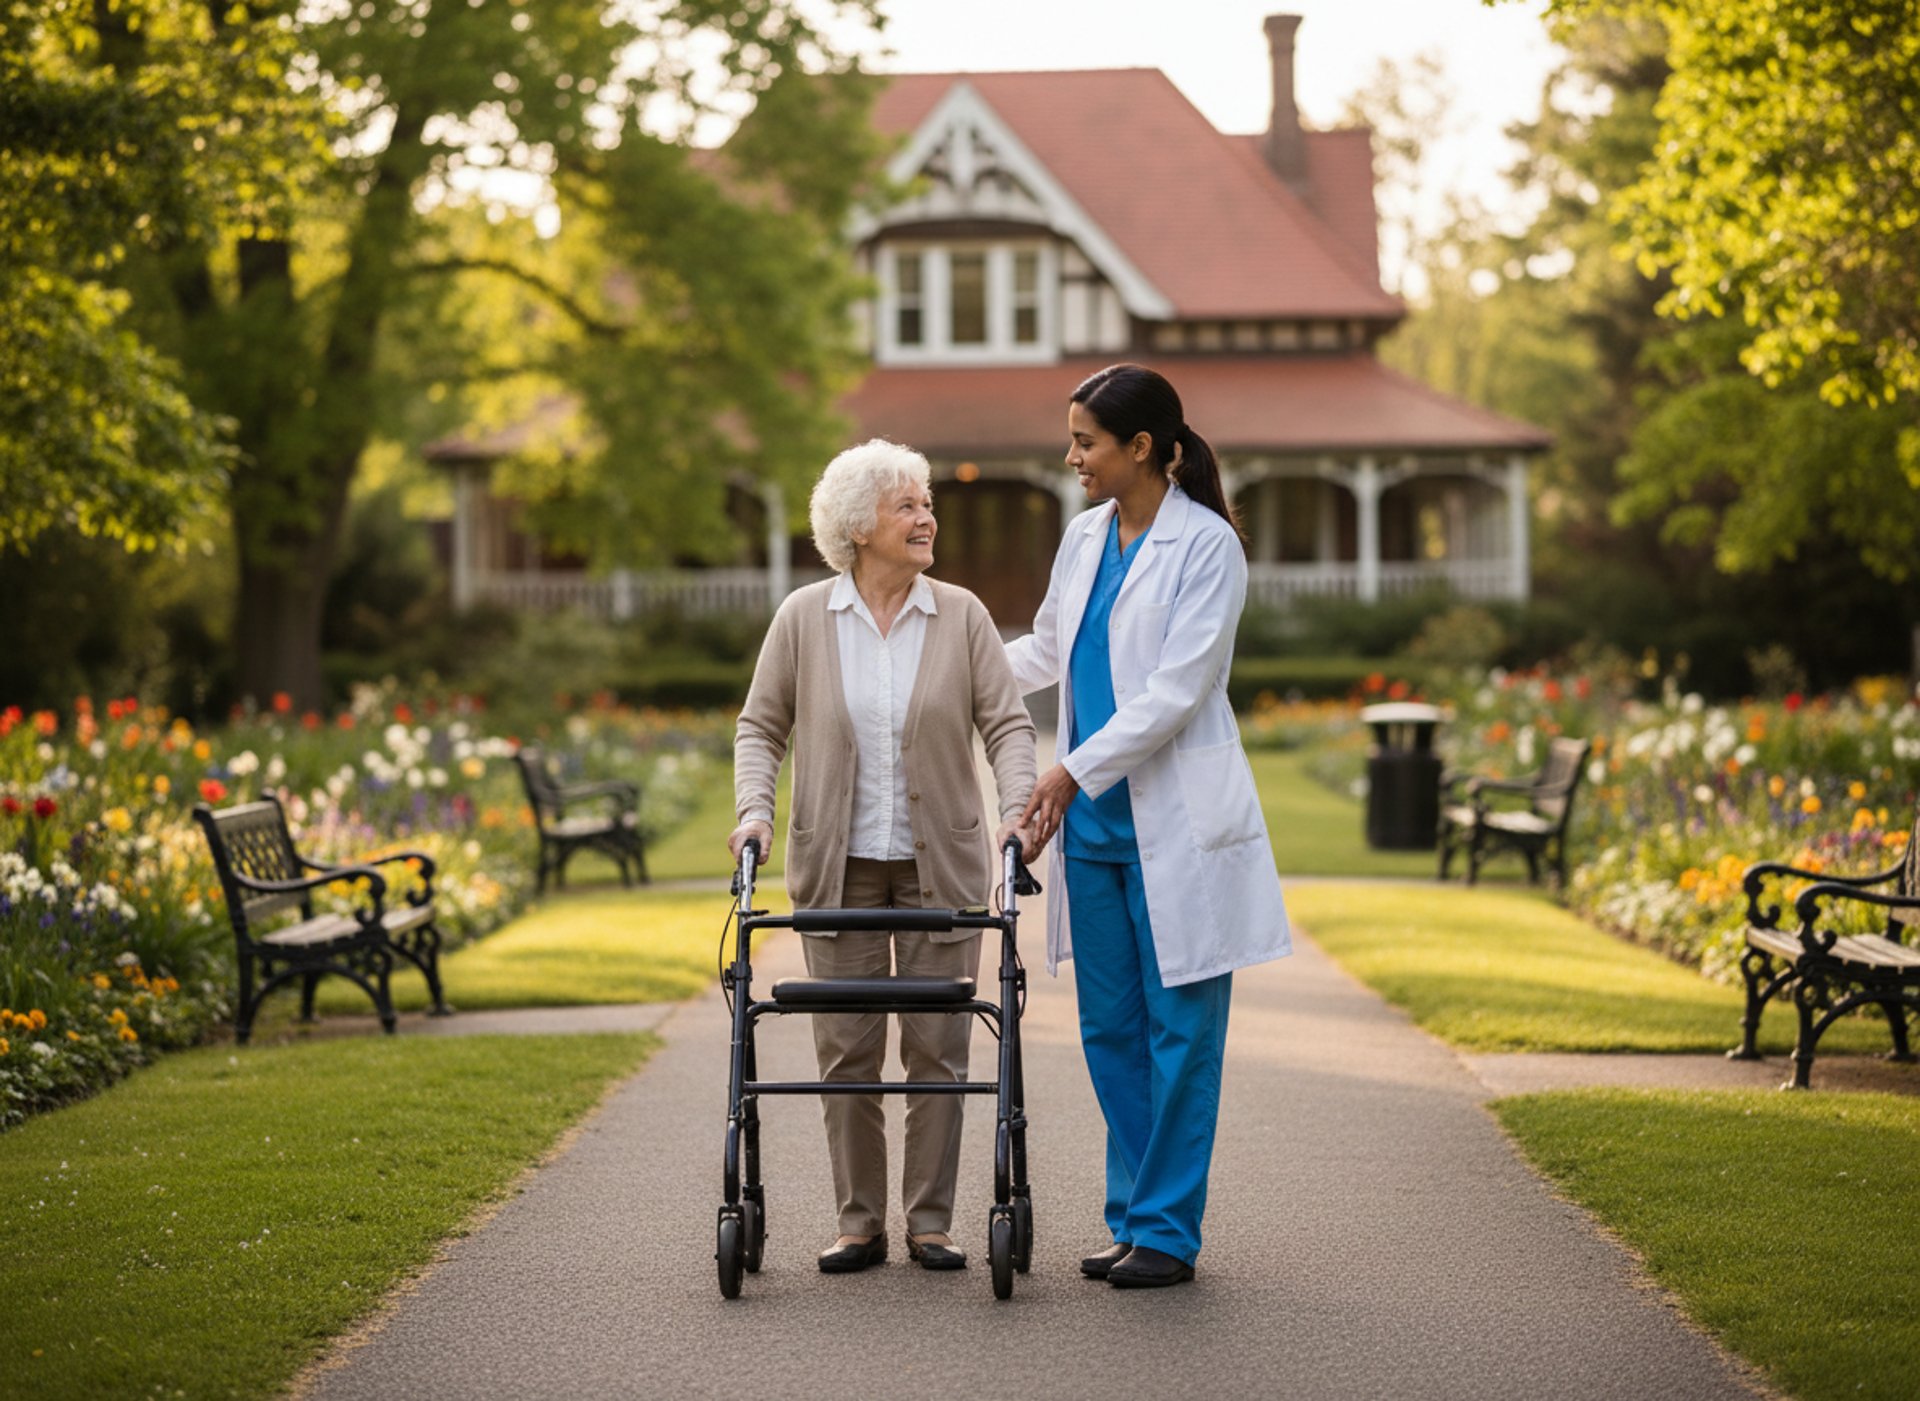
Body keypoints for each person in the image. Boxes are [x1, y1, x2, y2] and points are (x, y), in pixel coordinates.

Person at [1006, 362, 1291, 1289]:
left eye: (1086, 440)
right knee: (1113, 1029)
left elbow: (1176, 691)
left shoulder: (1207, 546)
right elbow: (1046, 651)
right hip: (1093, 831)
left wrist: (1069, 769)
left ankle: (1167, 1230)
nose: (1072, 455)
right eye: (1072, 437)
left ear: (1140, 448)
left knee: (1181, 1034)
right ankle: (1133, 1216)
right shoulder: (1085, 537)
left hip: (1176, 824)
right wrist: (946, 655)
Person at [730, 438, 1037, 1275]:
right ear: (860, 525)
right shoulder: (803, 618)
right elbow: (761, 727)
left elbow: (1008, 726)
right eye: (908, 505)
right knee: (847, 1047)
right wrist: (755, 812)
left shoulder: (962, 615)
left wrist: (1017, 810)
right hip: (838, 868)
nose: (927, 517)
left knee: (940, 1047)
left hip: (945, 866)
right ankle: (858, 1221)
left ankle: (929, 1222)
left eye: (927, 502)